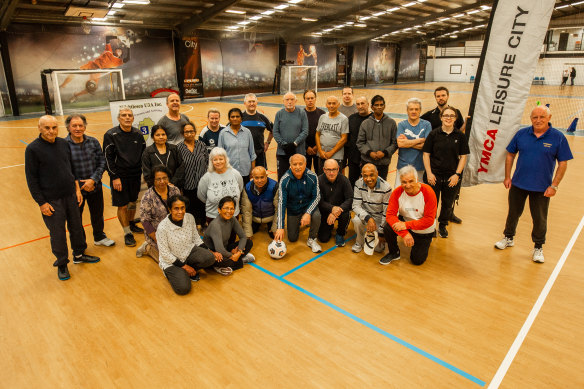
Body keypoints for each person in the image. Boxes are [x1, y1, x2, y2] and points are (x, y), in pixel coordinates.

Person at [25, 115, 100, 281]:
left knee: (77, 227)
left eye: (54, 127)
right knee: (58, 233)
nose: (51, 131)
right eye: (47, 128)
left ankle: (79, 254)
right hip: (51, 201)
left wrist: (77, 191)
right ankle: (62, 264)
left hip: (71, 195)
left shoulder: (64, 144)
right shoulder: (32, 149)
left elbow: (71, 169)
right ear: (39, 128)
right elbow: (31, 179)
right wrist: (42, 203)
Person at [494, 106, 572, 263]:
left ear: (549, 118)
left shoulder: (558, 137)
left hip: (542, 188)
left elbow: (563, 163)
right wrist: (507, 176)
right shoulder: (522, 134)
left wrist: (554, 185)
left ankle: (538, 247)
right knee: (513, 213)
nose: (538, 120)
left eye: (542, 117)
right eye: (535, 117)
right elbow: (510, 155)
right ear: (530, 119)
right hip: (518, 184)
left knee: (540, 218)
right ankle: (508, 237)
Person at [65, 113, 114, 247]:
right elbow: (66, 168)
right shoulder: (63, 145)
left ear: (85, 127)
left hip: (94, 186)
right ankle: (80, 245)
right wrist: (79, 185)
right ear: (68, 127)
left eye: (80, 125)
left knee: (97, 214)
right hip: (76, 191)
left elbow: (102, 162)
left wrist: (93, 180)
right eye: (74, 125)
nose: (78, 128)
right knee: (76, 219)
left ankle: (99, 237)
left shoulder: (93, 142)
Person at [156, 195, 221, 295]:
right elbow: (165, 254)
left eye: (182, 208)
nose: (180, 212)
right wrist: (185, 267)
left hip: (188, 252)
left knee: (210, 258)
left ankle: (187, 271)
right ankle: (174, 273)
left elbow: (196, 238)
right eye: (176, 209)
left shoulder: (189, 217)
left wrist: (211, 252)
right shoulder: (162, 228)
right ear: (170, 210)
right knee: (183, 289)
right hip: (171, 261)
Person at [422, 106, 469, 239]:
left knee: (447, 204)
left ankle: (442, 226)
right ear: (441, 118)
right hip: (434, 176)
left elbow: (463, 156)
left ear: (455, 118)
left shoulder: (460, 136)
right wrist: (429, 173)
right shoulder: (433, 134)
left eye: (451, 116)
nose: (448, 118)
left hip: (451, 177)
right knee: (432, 204)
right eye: (446, 115)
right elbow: (426, 154)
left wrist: (457, 175)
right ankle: (431, 227)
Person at [103, 108, 146, 247]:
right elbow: (107, 158)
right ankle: (127, 233)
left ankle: (131, 223)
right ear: (119, 118)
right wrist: (114, 177)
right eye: (124, 115)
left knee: (132, 202)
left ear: (133, 118)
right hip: (119, 177)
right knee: (122, 205)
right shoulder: (110, 134)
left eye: (129, 115)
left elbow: (143, 155)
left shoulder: (138, 134)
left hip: (135, 175)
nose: (127, 118)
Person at [380, 165, 437, 266]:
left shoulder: (428, 192)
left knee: (417, 261)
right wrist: (405, 233)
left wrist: (405, 226)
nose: (407, 185)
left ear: (417, 179)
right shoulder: (397, 192)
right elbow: (390, 215)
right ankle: (394, 253)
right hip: (406, 221)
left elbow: (429, 220)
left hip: (424, 227)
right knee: (388, 227)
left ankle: (428, 238)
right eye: (404, 182)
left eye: (411, 181)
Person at [60, 35, 129, 103]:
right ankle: (63, 85)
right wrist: (117, 37)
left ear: (120, 55)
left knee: (92, 89)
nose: (119, 50)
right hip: (91, 65)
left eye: (121, 51)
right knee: (74, 72)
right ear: (115, 50)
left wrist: (128, 47)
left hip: (97, 71)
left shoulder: (118, 62)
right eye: (118, 49)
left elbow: (128, 58)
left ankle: (76, 95)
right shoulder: (109, 51)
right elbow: (108, 37)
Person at [275, 154, 322, 253]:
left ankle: (312, 239)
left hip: (308, 206)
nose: (297, 167)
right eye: (294, 164)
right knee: (292, 238)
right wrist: (280, 227)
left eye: (300, 164)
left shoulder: (312, 176)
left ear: (305, 164)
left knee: (316, 215)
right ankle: (301, 220)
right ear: (290, 165)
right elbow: (281, 204)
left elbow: (317, 197)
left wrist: (308, 212)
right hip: (294, 209)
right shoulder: (284, 180)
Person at [136, 166, 181, 261]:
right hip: (156, 235)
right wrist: (158, 239)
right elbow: (145, 221)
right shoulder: (148, 197)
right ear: (153, 180)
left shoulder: (175, 191)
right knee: (168, 260)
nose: (162, 182)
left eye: (164, 178)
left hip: (174, 232)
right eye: (158, 179)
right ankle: (148, 247)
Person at [204, 196, 255, 273]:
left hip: (225, 249)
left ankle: (234, 261)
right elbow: (219, 250)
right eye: (226, 208)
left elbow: (243, 236)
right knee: (220, 260)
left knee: (249, 242)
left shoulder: (232, 219)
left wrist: (239, 252)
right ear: (219, 209)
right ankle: (235, 262)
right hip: (214, 254)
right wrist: (232, 255)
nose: (229, 211)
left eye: (232, 208)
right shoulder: (215, 225)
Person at [356, 95, 397, 181]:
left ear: (384, 106)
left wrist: (384, 153)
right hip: (367, 162)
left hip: (383, 163)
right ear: (372, 107)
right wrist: (369, 153)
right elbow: (360, 143)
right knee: (366, 186)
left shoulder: (391, 123)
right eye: (376, 105)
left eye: (381, 105)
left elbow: (394, 143)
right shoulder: (365, 123)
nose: (379, 107)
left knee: (381, 187)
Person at [197, 147, 244, 221]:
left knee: (232, 233)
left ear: (225, 160)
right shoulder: (206, 177)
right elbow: (201, 196)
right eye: (215, 160)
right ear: (211, 161)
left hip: (233, 214)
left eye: (221, 159)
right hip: (213, 216)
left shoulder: (235, 174)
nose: (218, 162)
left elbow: (240, 188)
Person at [177, 122, 209, 227]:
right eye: (186, 132)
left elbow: (207, 162)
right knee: (190, 208)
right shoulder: (178, 148)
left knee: (203, 206)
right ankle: (193, 228)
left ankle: (204, 225)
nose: (189, 134)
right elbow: (178, 168)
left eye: (191, 131)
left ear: (195, 132)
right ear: (183, 134)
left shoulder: (202, 145)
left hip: (202, 184)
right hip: (188, 185)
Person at [395, 98, 432, 187]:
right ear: (407, 111)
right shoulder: (402, 125)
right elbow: (400, 144)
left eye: (416, 109)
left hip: (420, 166)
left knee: (417, 194)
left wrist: (407, 142)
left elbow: (426, 146)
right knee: (400, 193)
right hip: (403, 166)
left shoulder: (427, 125)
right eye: (411, 109)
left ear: (420, 111)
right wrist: (420, 140)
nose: (414, 111)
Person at [273, 92, 309, 180]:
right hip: (283, 152)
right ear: (283, 101)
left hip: (299, 152)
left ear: (296, 101)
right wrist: (284, 144)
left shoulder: (302, 113)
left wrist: (295, 144)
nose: (289, 102)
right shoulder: (279, 114)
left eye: (292, 99)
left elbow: (305, 131)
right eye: (287, 100)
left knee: (300, 177)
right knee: (282, 177)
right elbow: (275, 132)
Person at [317, 159, 353, 247]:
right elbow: (318, 201)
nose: (331, 173)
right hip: (325, 211)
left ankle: (340, 233)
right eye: (328, 170)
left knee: (346, 213)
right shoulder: (318, 180)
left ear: (338, 169)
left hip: (340, 210)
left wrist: (337, 210)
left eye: (334, 169)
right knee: (323, 239)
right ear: (324, 169)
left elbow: (350, 198)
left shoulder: (344, 180)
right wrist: (331, 209)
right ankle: (329, 226)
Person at [218, 107, 256, 184]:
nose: (235, 118)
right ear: (229, 119)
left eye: (237, 116)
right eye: (232, 117)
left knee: (244, 194)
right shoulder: (223, 133)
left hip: (245, 171)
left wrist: (253, 169)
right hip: (229, 171)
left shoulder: (247, 132)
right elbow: (220, 155)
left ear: (241, 118)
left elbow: (252, 153)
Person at [241, 166, 279, 239]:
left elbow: (279, 209)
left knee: (273, 236)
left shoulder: (275, 186)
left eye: (262, 177)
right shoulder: (247, 188)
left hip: (270, 217)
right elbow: (246, 211)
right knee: (249, 233)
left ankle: (270, 225)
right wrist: (248, 232)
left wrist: (275, 228)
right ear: (252, 177)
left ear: (266, 176)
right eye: (256, 178)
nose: (259, 180)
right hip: (255, 218)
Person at [315, 96, 349, 172]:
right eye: (329, 103)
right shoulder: (322, 117)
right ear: (326, 105)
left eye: (334, 103)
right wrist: (320, 151)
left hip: (336, 155)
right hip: (322, 154)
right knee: (321, 178)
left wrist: (331, 152)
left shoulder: (343, 119)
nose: (331, 106)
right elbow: (317, 134)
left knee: (335, 179)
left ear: (338, 104)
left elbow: (344, 139)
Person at [242, 93, 274, 169]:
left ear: (257, 102)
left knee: (260, 178)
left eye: (253, 101)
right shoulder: (239, 117)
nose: (251, 104)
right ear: (245, 103)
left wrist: (268, 142)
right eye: (249, 102)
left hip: (259, 154)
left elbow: (273, 130)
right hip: (243, 155)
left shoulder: (262, 117)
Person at [346, 96, 372, 187]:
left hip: (369, 158)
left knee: (368, 183)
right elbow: (348, 139)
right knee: (352, 183)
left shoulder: (373, 118)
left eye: (362, 103)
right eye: (358, 104)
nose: (360, 106)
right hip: (353, 159)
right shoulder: (351, 118)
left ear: (368, 104)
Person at [303, 89, 326, 175]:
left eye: (312, 98)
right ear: (304, 100)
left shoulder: (322, 114)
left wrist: (317, 146)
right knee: (305, 174)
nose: (310, 100)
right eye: (307, 98)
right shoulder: (301, 114)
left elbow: (325, 132)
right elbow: (298, 132)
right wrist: (306, 147)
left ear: (315, 99)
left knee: (319, 173)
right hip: (304, 150)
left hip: (319, 149)